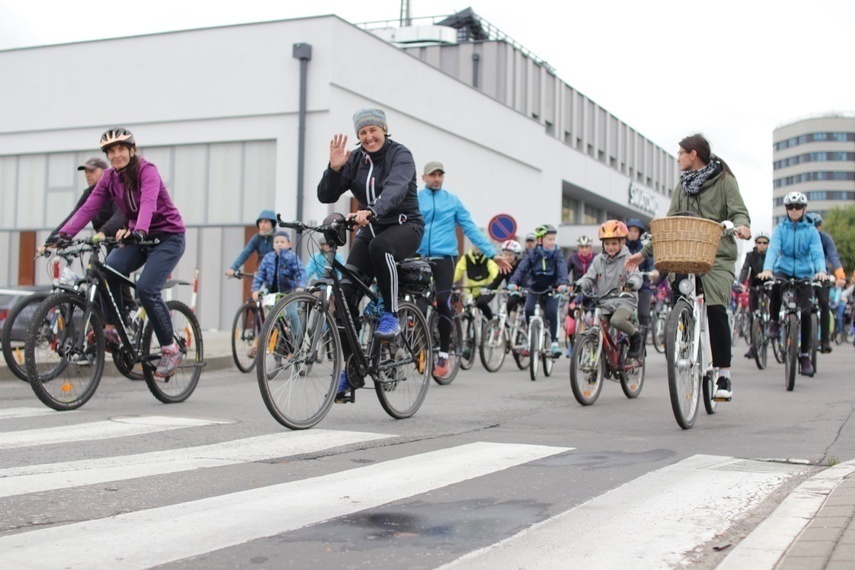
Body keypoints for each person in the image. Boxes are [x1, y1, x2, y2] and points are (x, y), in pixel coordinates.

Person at [50, 128, 187, 378]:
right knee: (109, 270)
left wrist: (140, 230)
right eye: (111, 151)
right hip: (139, 237)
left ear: (131, 150)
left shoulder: (147, 171)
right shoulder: (110, 177)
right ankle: (113, 329)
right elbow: (89, 207)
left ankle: (170, 348)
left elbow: (147, 203)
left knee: (146, 288)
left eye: (121, 149)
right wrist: (63, 235)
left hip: (167, 237)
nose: (116, 155)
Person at [626, 134, 751, 401]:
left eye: (681, 153)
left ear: (693, 154)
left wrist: (741, 226)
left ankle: (724, 374)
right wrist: (643, 253)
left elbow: (739, 210)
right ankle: (684, 337)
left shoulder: (724, 180)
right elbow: (670, 225)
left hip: (717, 256)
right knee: (680, 294)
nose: (678, 158)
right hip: (686, 254)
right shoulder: (682, 187)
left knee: (716, 308)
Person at [317, 107, 424, 399]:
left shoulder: (400, 155)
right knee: (344, 296)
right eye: (362, 133)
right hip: (370, 226)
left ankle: (390, 314)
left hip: (404, 226)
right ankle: (352, 370)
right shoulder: (354, 161)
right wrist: (335, 168)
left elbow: (396, 187)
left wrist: (373, 210)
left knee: (380, 247)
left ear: (384, 129)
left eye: (373, 130)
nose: (368, 137)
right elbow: (326, 195)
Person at [416, 160, 510, 378]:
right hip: (419, 256)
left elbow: (471, 229)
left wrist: (492, 254)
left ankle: (443, 355)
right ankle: (419, 347)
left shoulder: (452, 201)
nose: (436, 178)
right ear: (424, 178)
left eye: (440, 175)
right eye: (432, 175)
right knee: (418, 303)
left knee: (443, 303)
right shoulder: (415, 198)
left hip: (445, 258)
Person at [44, 157, 134, 312]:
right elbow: (76, 215)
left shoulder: (114, 190)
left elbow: (120, 216)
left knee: (113, 271)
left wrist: (103, 232)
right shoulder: (89, 194)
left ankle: (128, 309)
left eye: (92, 171)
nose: (87, 175)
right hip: (104, 240)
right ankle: (107, 320)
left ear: (105, 172)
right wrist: (54, 239)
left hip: (121, 237)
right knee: (99, 276)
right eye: (86, 172)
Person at [757, 192, 827, 376]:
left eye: (797, 207)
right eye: (790, 207)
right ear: (786, 209)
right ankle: (773, 322)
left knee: (805, 312)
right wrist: (768, 269)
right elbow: (773, 249)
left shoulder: (811, 231)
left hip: (805, 272)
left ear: (804, 209)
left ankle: (804, 356)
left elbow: (818, 253)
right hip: (785, 269)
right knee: (776, 285)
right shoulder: (781, 228)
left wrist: (821, 270)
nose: (794, 211)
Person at [575, 220, 644, 358]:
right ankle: (596, 363)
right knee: (594, 327)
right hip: (604, 302)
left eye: (614, 243)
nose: (610, 247)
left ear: (622, 242)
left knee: (616, 321)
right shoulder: (598, 260)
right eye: (607, 244)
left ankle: (636, 337)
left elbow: (637, 276)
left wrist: (631, 284)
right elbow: (589, 278)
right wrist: (579, 284)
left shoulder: (629, 258)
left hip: (624, 300)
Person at [508, 224, 570, 358]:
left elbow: (562, 269)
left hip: (552, 288)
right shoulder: (532, 254)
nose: (552, 242)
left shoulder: (557, 254)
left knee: (552, 313)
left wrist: (563, 283)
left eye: (554, 239)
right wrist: (513, 282)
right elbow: (521, 269)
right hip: (534, 288)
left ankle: (554, 343)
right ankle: (530, 341)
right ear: (540, 240)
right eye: (549, 239)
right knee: (529, 310)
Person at [808, 213, 847, 353]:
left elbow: (833, 257)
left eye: (817, 226)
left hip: (822, 275)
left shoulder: (825, 239)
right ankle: (794, 334)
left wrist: (840, 276)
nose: (815, 229)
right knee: (801, 305)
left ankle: (825, 340)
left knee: (824, 303)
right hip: (805, 274)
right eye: (812, 226)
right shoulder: (803, 237)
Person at [625, 219, 658, 348]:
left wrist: (653, 272)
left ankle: (641, 346)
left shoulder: (645, 248)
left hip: (643, 287)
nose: (632, 233)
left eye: (636, 231)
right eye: (630, 230)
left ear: (640, 233)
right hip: (626, 287)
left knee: (643, 315)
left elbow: (651, 265)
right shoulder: (622, 247)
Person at [737, 232, 769, 358]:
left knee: (773, 306)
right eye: (759, 242)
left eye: (765, 243)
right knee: (752, 314)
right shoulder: (750, 256)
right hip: (754, 285)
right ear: (755, 243)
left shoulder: (771, 255)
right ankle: (753, 345)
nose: (762, 245)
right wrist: (741, 282)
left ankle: (774, 330)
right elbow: (745, 269)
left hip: (768, 284)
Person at [251, 230, 306, 300]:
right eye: (276, 242)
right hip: (270, 295)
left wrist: (300, 286)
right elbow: (260, 274)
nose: (279, 244)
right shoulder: (268, 257)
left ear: (289, 244)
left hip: (288, 295)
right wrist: (255, 289)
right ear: (273, 245)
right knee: (270, 310)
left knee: (291, 311)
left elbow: (301, 272)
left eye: (282, 242)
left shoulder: (292, 257)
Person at [454, 245, 500, 325]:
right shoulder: (466, 258)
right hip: (471, 291)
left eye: (479, 245)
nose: (477, 247)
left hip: (486, 290)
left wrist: (494, 285)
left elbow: (495, 273)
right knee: (467, 307)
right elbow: (456, 273)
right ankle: (469, 330)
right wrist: (449, 282)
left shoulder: (488, 258)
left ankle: (490, 323)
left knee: (481, 303)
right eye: (475, 244)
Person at [226, 209, 278, 277]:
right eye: (261, 222)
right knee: (256, 287)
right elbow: (245, 253)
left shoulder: (278, 238)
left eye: (266, 222)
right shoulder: (257, 238)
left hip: (277, 275)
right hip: (262, 273)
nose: (262, 225)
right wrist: (233, 268)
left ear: (272, 224)